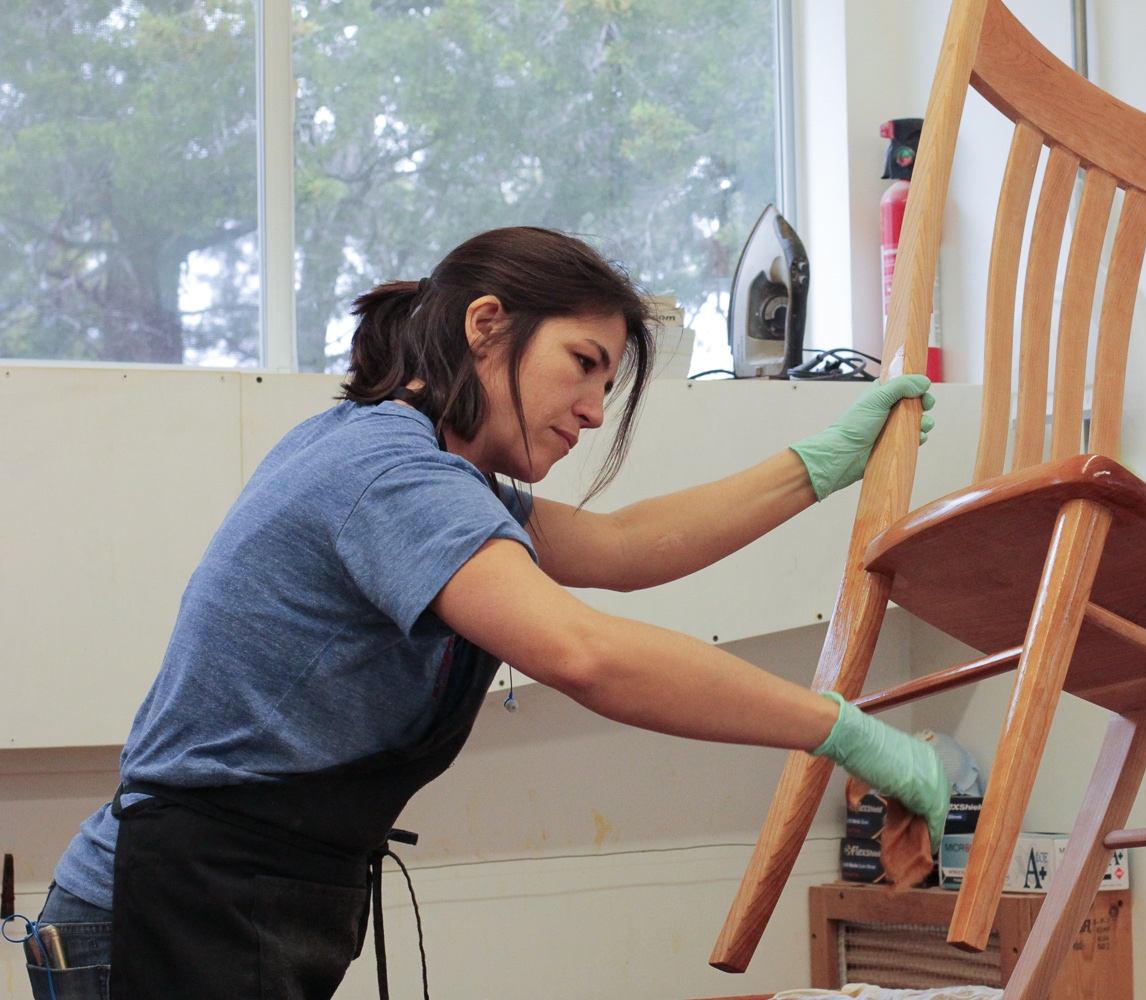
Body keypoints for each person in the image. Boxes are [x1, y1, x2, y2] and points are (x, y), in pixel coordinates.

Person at [24, 227, 945, 999]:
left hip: (229, 897)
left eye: (607, 384)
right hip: (164, 909)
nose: (593, 410)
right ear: (487, 326)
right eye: (583, 365)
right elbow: (586, 654)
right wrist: (845, 732)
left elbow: (625, 548)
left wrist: (821, 462)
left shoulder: (428, 471)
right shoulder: (393, 476)